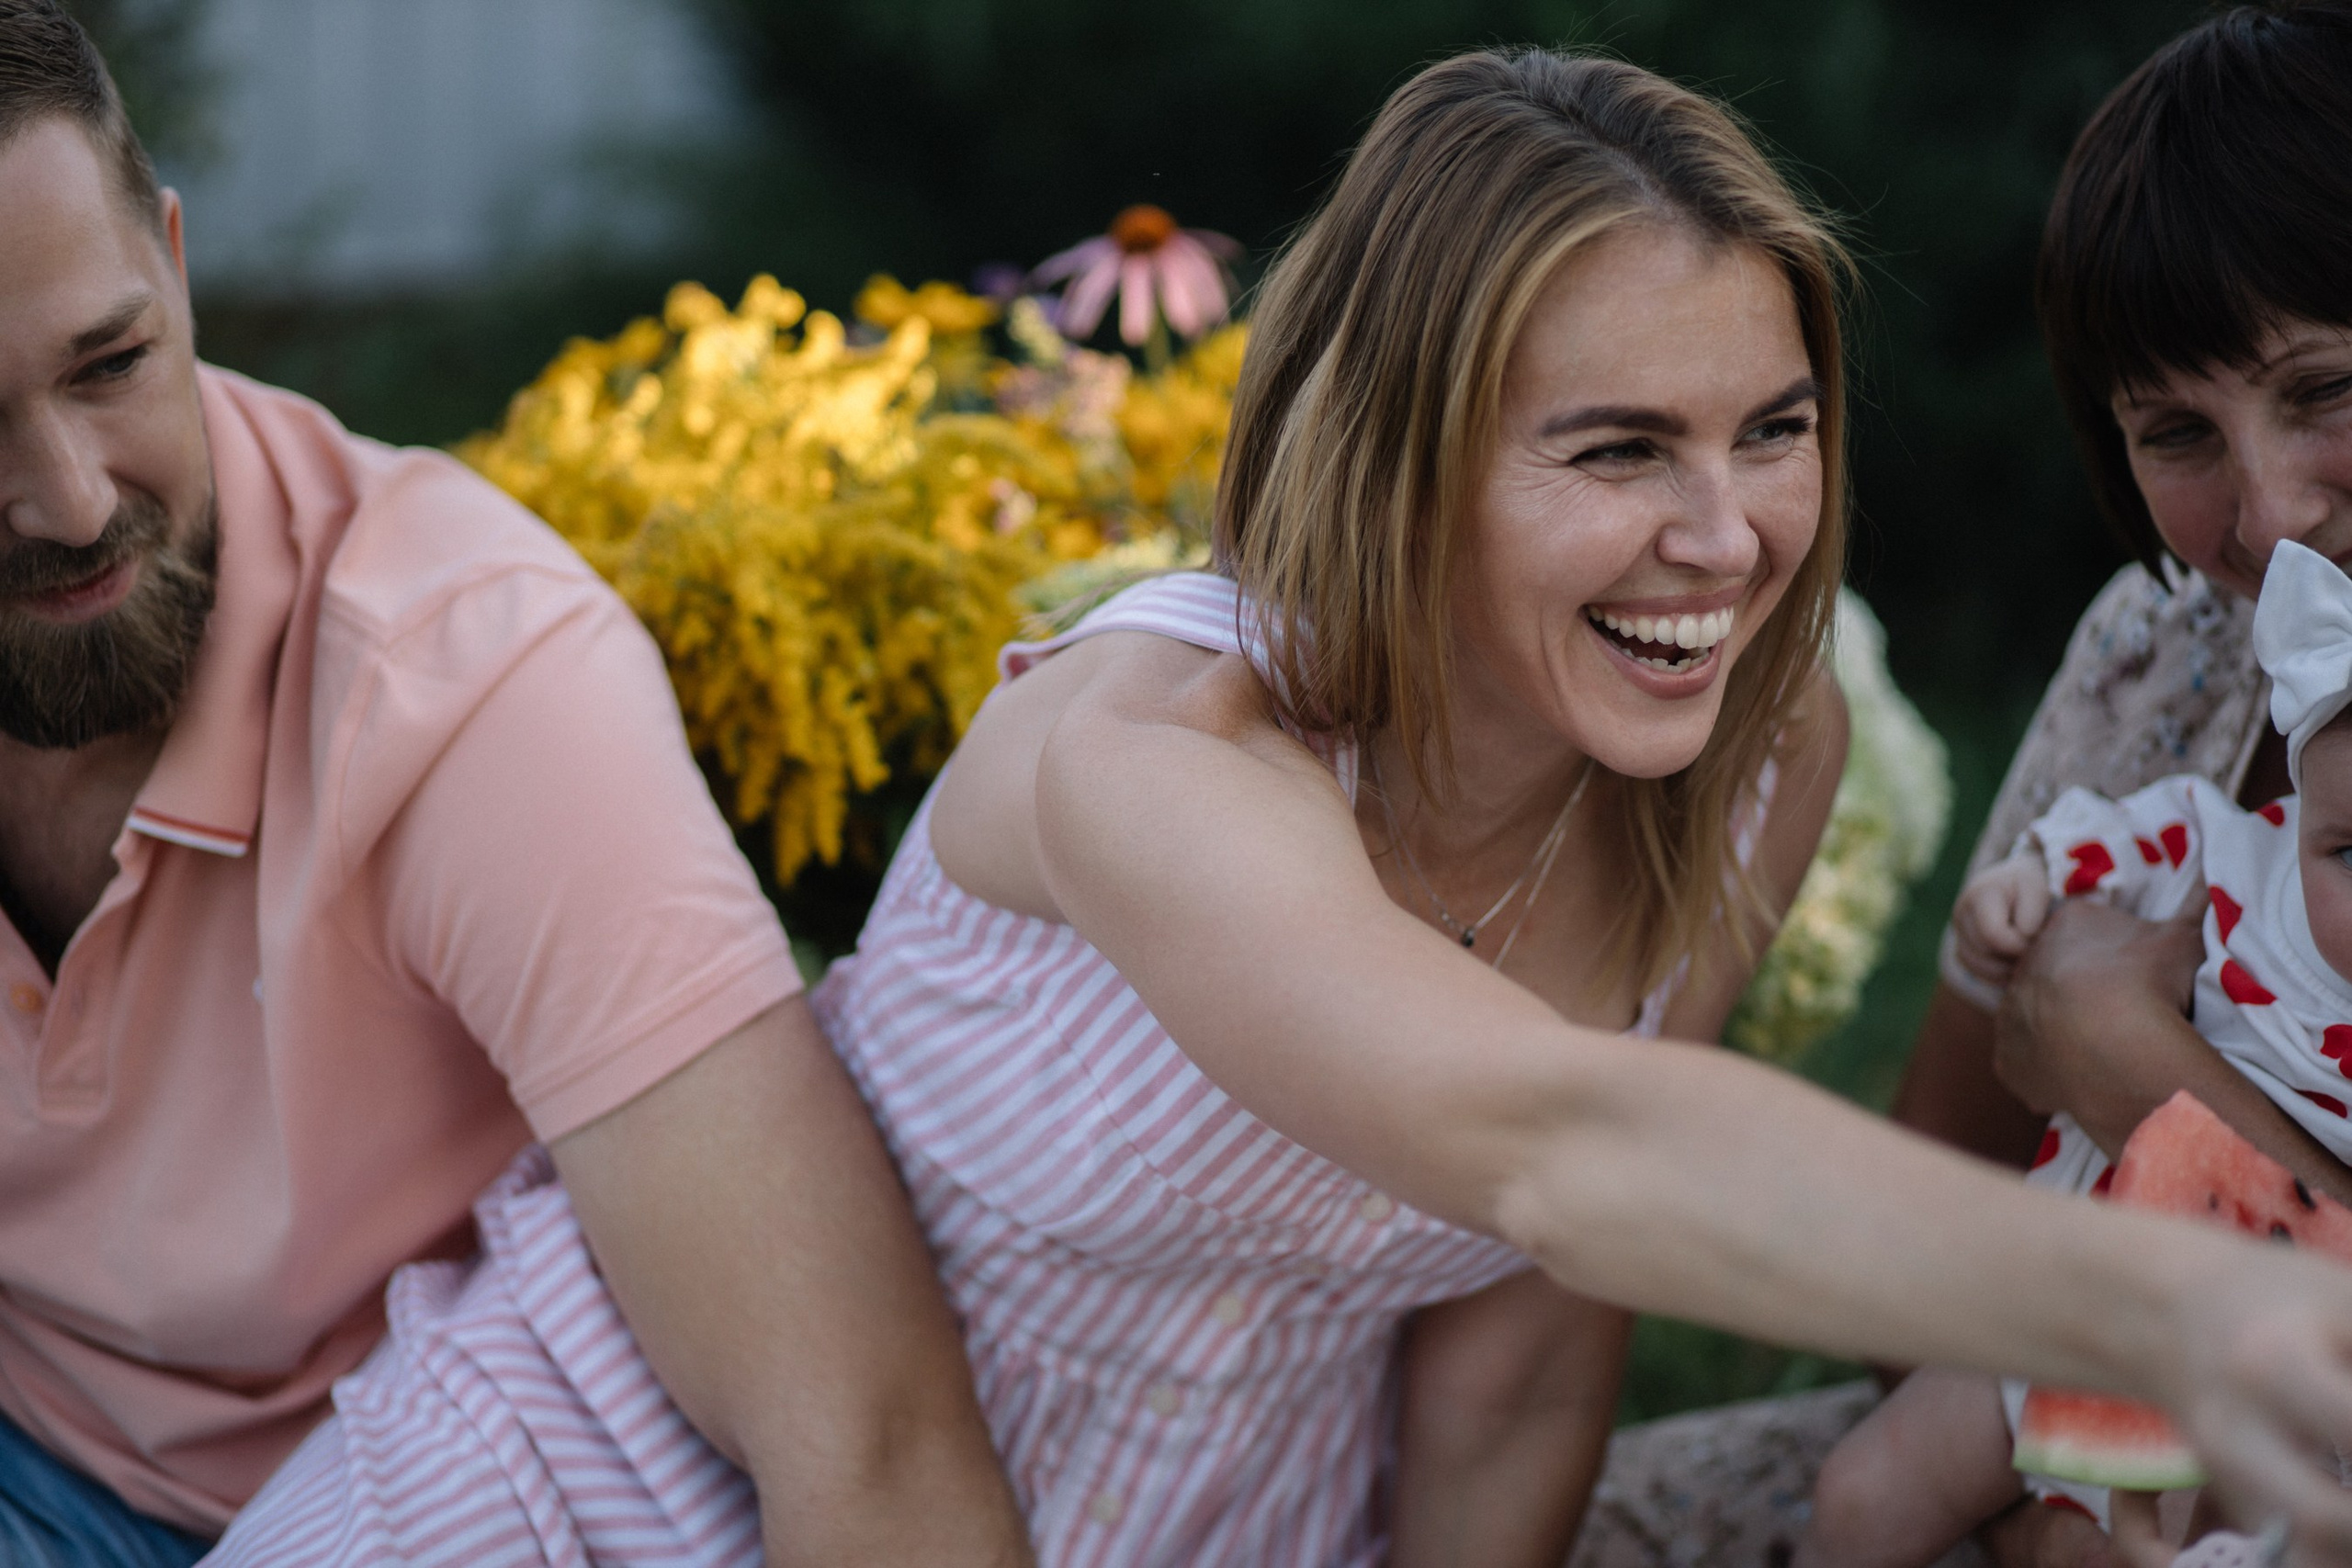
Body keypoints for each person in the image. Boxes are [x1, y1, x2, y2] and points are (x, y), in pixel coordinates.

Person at [210, 41, 2352, 1568]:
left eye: (1768, 428)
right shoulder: (1162, 743)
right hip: (628, 1486)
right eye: (1614, 451)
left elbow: (1519, 1347)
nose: (1724, 536)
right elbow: (1557, 1142)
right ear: (1403, 454)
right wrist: (2165, 1303)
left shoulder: (1741, 750)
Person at [0, 4, 1032, 1565]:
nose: (72, 501)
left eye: (114, 363)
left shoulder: (468, 679)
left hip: (379, 1506)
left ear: (176, 260)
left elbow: (859, 1430)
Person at [1866, 3, 2352, 1562]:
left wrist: (2125, 1056)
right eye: (2175, 430)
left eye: (2325, 389)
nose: (2270, 513)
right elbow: (1906, 1239)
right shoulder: (2158, 649)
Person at [1804, 539, 2352, 1566]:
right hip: (2083, 1291)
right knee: (1860, 1495)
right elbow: (2128, 836)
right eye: (2348, 855)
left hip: (2276, 1393)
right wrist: (2028, 885)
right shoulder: (2241, 859)